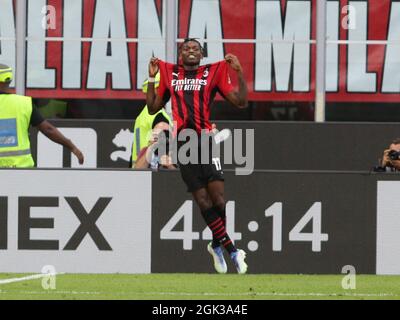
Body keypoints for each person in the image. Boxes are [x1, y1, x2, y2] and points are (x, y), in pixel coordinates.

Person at [146, 38, 248, 274]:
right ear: (180, 53)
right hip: (184, 143)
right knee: (202, 200)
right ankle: (232, 250)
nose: (190, 51)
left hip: (206, 139)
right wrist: (152, 78)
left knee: (218, 200)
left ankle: (215, 245)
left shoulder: (212, 72)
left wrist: (239, 72)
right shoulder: (170, 74)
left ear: (202, 55)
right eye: (186, 48)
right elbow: (152, 107)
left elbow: (241, 102)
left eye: (195, 49)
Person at [0, 64, 84, 167]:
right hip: (20, 171)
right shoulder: (24, 104)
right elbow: (48, 130)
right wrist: (72, 147)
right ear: (9, 80)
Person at [130, 72, 171, 168]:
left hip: (138, 169)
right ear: (156, 89)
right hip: (151, 171)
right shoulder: (159, 115)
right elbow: (162, 154)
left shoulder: (143, 115)